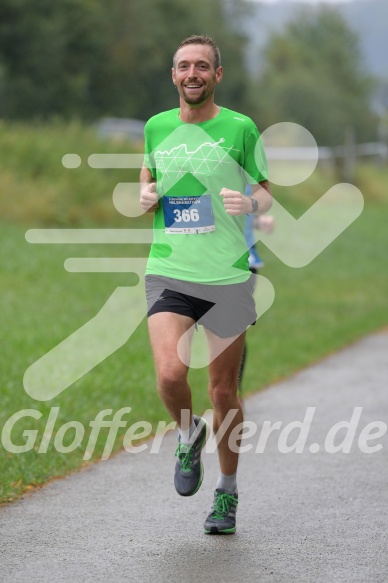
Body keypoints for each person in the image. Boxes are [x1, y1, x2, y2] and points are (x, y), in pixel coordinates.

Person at [139, 35, 272, 535]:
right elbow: (145, 183)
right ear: (173, 75)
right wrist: (147, 195)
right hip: (169, 269)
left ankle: (226, 493)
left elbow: (264, 191)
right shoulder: (156, 127)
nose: (191, 73)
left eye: (201, 66)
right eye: (182, 66)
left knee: (223, 392)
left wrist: (251, 204)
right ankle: (187, 432)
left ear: (217, 75)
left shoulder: (240, 127)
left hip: (228, 277)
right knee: (171, 376)